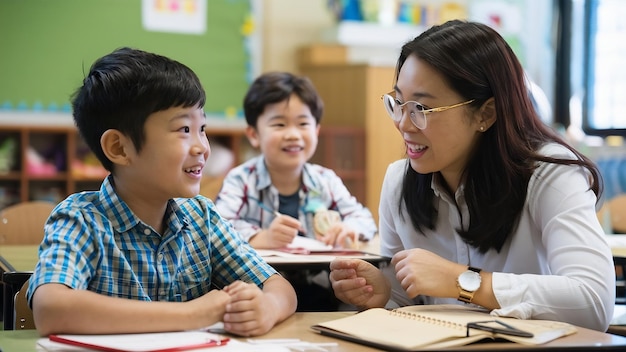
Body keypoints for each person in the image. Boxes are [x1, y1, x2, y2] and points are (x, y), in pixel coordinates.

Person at [329, 20, 615, 332]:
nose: (403, 124)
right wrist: (382, 292)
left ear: (485, 114)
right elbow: (409, 301)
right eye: (398, 103)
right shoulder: (400, 181)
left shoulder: (550, 173)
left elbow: (594, 301)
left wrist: (461, 280)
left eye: (422, 108)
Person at [26, 47, 297, 336]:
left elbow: (278, 286)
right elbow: (50, 309)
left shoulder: (201, 217)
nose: (202, 147)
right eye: (183, 129)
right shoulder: (82, 219)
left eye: (202, 128)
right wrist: (193, 313)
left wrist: (267, 309)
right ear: (119, 148)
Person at [214, 71, 377, 311]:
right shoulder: (241, 179)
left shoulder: (325, 180)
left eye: (303, 124)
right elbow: (217, 228)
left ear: (316, 130)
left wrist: (349, 228)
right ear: (254, 135)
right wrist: (262, 238)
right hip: (261, 290)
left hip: (323, 289)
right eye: (279, 124)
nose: (293, 134)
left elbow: (364, 218)